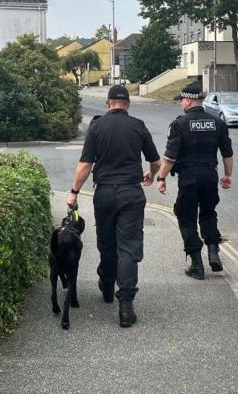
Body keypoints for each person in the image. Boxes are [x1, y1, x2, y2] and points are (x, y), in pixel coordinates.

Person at [67, 85, 160, 327]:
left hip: (105, 193)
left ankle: (107, 285)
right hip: (131, 193)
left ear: (108, 103)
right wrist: (150, 174)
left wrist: (74, 192)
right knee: (128, 247)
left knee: (107, 243)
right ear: (128, 104)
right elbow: (156, 161)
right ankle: (126, 306)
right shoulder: (138, 125)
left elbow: (85, 165)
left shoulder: (96, 126)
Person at [155, 81, 233, 279]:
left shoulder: (180, 124)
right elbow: (227, 154)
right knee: (208, 213)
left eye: (181, 100)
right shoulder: (218, 123)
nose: (181, 103)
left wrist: (161, 177)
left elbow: (170, 157)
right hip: (210, 175)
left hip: (189, 177)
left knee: (186, 216)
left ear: (189, 101)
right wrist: (227, 175)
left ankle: (197, 265)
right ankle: (213, 251)